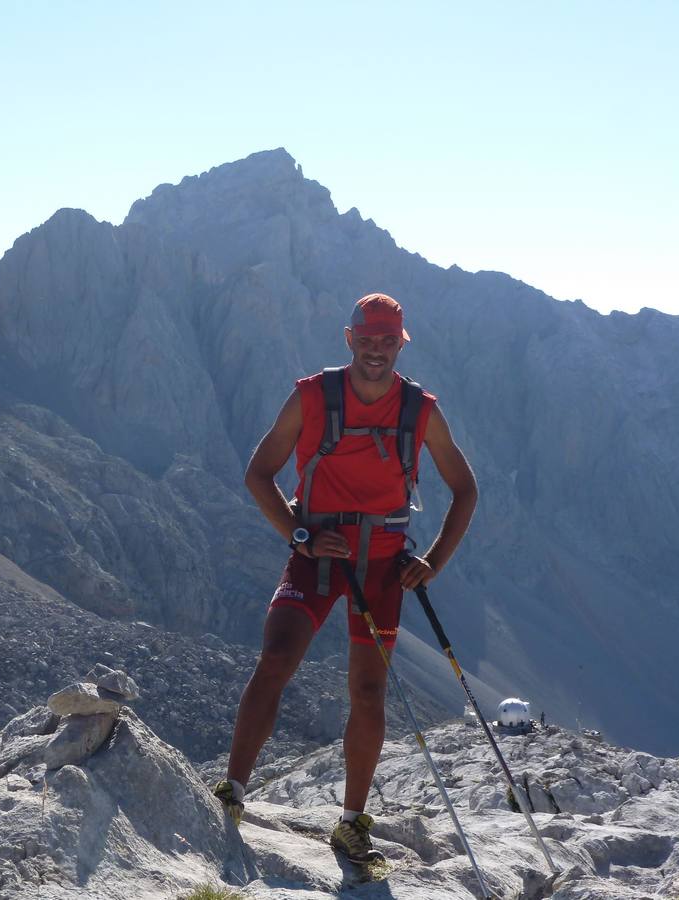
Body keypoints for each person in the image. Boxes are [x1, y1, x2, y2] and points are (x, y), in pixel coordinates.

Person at [213, 293, 478, 865]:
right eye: (368, 339)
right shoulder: (312, 396)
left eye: (388, 341)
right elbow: (259, 474)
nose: (377, 351)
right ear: (349, 338)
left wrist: (432, 560)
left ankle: (352, 824)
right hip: (317, 554)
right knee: (277, 658)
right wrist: (299, 535)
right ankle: (232, 792)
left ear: (399, 344)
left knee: (367, 691)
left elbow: (466, 489)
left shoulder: (420, 411)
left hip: (382, 565)